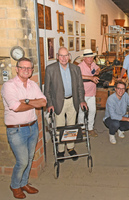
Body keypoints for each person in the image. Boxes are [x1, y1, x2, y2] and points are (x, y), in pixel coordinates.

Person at [1, 57, 47, 199]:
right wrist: (34, 102)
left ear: (32, 70)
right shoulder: (9, 86)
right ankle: (15, 186)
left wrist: (26, 101)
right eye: (23, 67)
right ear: (17, 69)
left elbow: (43, 102)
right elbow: (16, 107)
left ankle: (24, 183)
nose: (26, 70)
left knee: (30, 157)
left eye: (29, 68)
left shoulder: (33, 85)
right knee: (22, 161)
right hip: (16, 130)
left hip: (33, 127)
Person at [44, 47, 87, 162]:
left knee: (72, 125)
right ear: (57, 56)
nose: (63, 58)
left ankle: (71, 147)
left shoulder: (75, 69)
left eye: (66, 55)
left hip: (73, 101)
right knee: (60, 126)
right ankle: (61, 149)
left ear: (69, 56)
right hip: (58, 102)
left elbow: (80, 87)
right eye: (61, 56)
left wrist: (82, 100)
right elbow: (47, 90)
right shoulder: (50, 69)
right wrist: (50, 104)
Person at [78, 49, 100, 137]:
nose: (90, 59)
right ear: (84, 58)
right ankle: (82, 129)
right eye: (88, 57)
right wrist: (91, 78)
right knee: (82, 112)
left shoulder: (92, 64)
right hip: (83, 93)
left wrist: (97, 71)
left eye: (92, 57)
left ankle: (90, 128)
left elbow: (98, 68)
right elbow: (78, 76)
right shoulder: (80, 66)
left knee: (93, 110)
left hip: (92, 92)